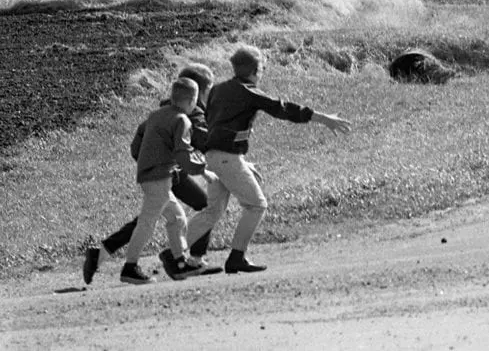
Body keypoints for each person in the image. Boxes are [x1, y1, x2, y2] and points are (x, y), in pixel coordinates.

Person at [182, 45, 353, 274]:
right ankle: (236, 257)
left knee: (212, 211)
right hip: (227, 158)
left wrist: (236, 157)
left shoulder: (217, 90)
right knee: (256, 205)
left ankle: (174, 250)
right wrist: (323, 119)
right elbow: (281, 108)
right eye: (261, 68)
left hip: (214, 157)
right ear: (255, 69)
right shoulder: (248, 90)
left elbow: (215, 127)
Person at [84, 63, 218, 285]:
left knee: (165, 216)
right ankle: (182, 261)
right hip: (168, 172)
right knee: (199, 207)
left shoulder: (158, 113)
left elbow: (137, 146)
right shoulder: (188, 115)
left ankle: (105, 252)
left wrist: (149, 164)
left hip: (160, 171)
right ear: (196, 94)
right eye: (207, 91)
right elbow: (203, 143)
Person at [118, 78, 205, 285]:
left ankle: (181, 263)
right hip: (158, 178)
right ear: (192, 101)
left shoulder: (156, 115)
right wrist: (202, 167)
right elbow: (183, 154)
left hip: (152, 176)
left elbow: (137, 147)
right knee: (147, 222)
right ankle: (130, 267)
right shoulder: (182, 120)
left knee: (177, 218)